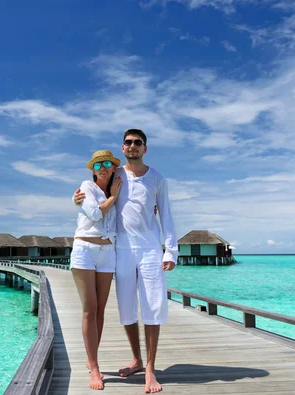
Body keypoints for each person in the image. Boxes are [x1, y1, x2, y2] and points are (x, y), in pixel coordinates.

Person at [74, 129, 178, 394]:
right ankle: (137, 360)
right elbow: (93, 196)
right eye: (128, 142)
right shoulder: (115, 175)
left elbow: (166, 215)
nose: (133, 146)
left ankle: (151, 370)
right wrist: (76, 198)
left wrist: (171, 252)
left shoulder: (157, 179)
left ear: (145, 148)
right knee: (127, 308)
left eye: (138, 143)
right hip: (120, 250)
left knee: (153, 307)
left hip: (150, 249)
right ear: (122, 148)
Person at [70, 149, 123, 391]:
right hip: (85, 249)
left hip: (108, 252)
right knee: (89, 310)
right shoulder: (87, 187)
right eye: (98, 164)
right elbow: (93, 213)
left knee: (101, 310)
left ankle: (92, 360)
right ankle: (94, 367)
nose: (102, 167)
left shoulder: (120, 185)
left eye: (107, 164)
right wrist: (112, 197)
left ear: (113, 167)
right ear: (92, 168)